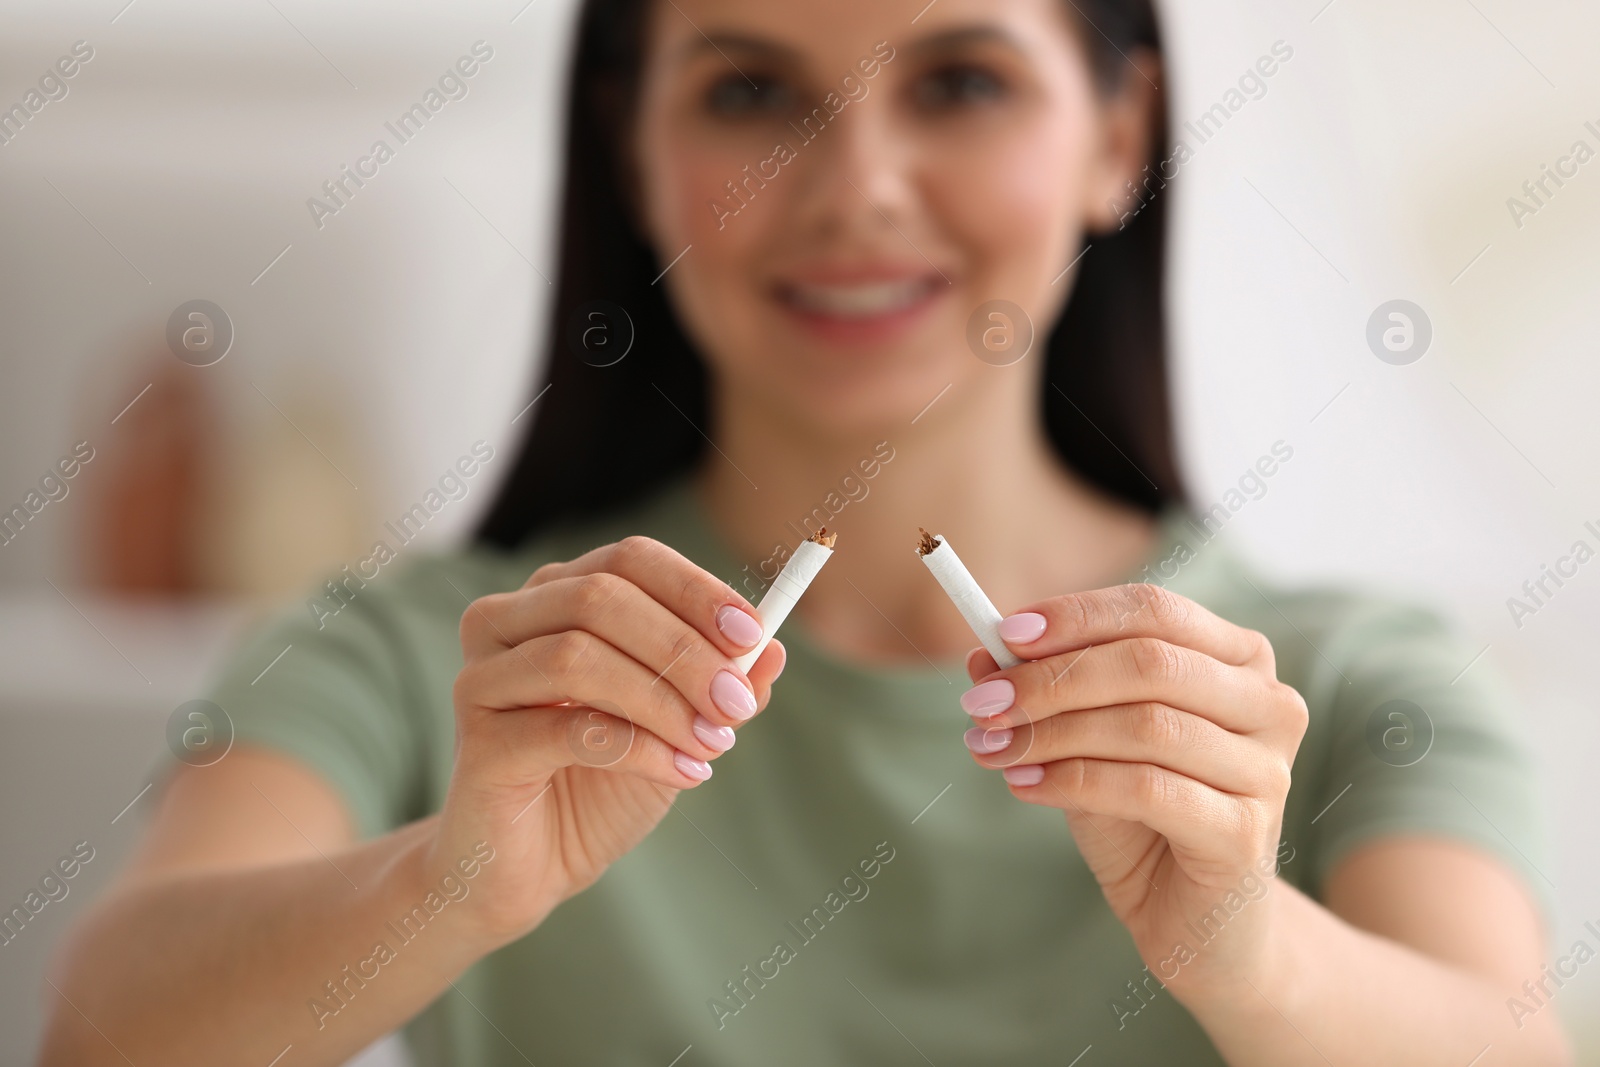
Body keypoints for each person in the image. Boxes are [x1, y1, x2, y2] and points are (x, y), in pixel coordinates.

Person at [42, 0, 1572, 1063]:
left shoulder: (1355, 681)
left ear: (1123, 133)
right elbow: (100, 1035)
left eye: (962, 81)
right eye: (752, 91)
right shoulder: (415, 658)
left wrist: (1250, 948)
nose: (856, 189)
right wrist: (455, 882)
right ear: (633, 149)